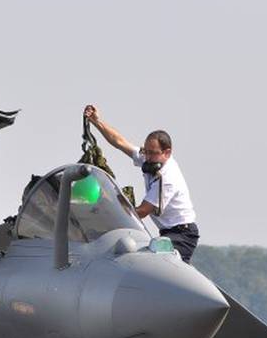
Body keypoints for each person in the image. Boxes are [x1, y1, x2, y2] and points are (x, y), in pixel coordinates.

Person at [83, 105, 200, 263]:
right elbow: (119, 142)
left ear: (167, 153)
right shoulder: (149, 158)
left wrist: (109, 213)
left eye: (153, 153)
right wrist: (97, 121)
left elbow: (143, 211)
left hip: (183, 234)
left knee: (157, 267)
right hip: (167, 232)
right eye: (146, 151)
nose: (148, 158)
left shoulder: (167, 178)